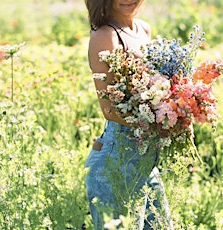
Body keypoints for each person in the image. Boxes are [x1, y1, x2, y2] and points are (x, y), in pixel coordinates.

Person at [84, 0, 173, 229]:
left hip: (145, 160)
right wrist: (159, 122)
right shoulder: (105, 36)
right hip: (116, 162)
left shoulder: (144, 29)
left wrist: (179, 107)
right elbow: (109, 109)